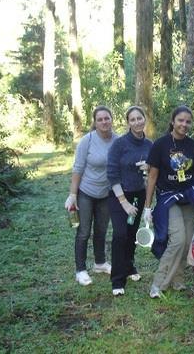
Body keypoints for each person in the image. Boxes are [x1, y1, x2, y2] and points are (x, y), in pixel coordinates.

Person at [143, 105, 194, 298]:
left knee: (187, 241)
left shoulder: (192, 146)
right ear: (173, 121)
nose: (184, 124)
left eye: (187, 121)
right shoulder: (160, 145)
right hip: (168, 198)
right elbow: (152, 177)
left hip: (189, 197)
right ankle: (158, 284)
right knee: (177, 240)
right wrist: (147, 206)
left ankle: (178, 279)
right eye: (180, 120)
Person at [65, 105, 117, 286]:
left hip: (106, 193)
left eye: (107, 118)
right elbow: (78, 168)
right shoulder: (87, 141)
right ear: (95, 122)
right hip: (86, 192)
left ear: (112, 119)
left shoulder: (117, 140)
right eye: (100, 119)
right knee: (84, 231)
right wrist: (73, 195)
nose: (104, 122)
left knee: (101, 230)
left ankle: (100, 263)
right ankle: (80, 270)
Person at [107, 106, 152, 296]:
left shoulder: (150, 145)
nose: (137, 122)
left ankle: (129, 266)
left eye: (139, 118)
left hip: (138, 195)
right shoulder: (119, 144)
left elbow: (155, 171)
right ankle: (117, 280)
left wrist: (149, 167)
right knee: (120, 234)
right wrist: (124, 202)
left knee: (132, 232)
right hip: (119, 196)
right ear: (128, 123)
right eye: (132, 119)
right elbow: (112, 174)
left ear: (145, 119)